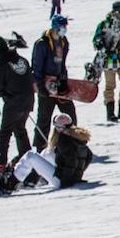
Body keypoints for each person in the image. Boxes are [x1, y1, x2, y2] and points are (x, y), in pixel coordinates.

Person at [30, 16, 77, 149]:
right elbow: (36, 65)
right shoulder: (42, 43)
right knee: (44, 117)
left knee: (70, 113)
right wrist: (39, 85)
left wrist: (63, 79)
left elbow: (62, 63)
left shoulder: (63, 42)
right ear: (56, 27)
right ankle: (39, 145)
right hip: (46, 83)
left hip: (59, 83)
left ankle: (73, 141)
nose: (65, 30)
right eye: (63, 27)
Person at [0, 37, 34, 169]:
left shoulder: (0, 65)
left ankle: (0, 163)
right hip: (28, 100)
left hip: (13, 102)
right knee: (20, 129)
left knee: (5, 132)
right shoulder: (22, 60)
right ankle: (28, 158)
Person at [92, 2, 120, 121]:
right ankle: (110, 112)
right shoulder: (105, 24)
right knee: (111, 86)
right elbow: (96, 40)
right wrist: (101, 44)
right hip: (110, 60)